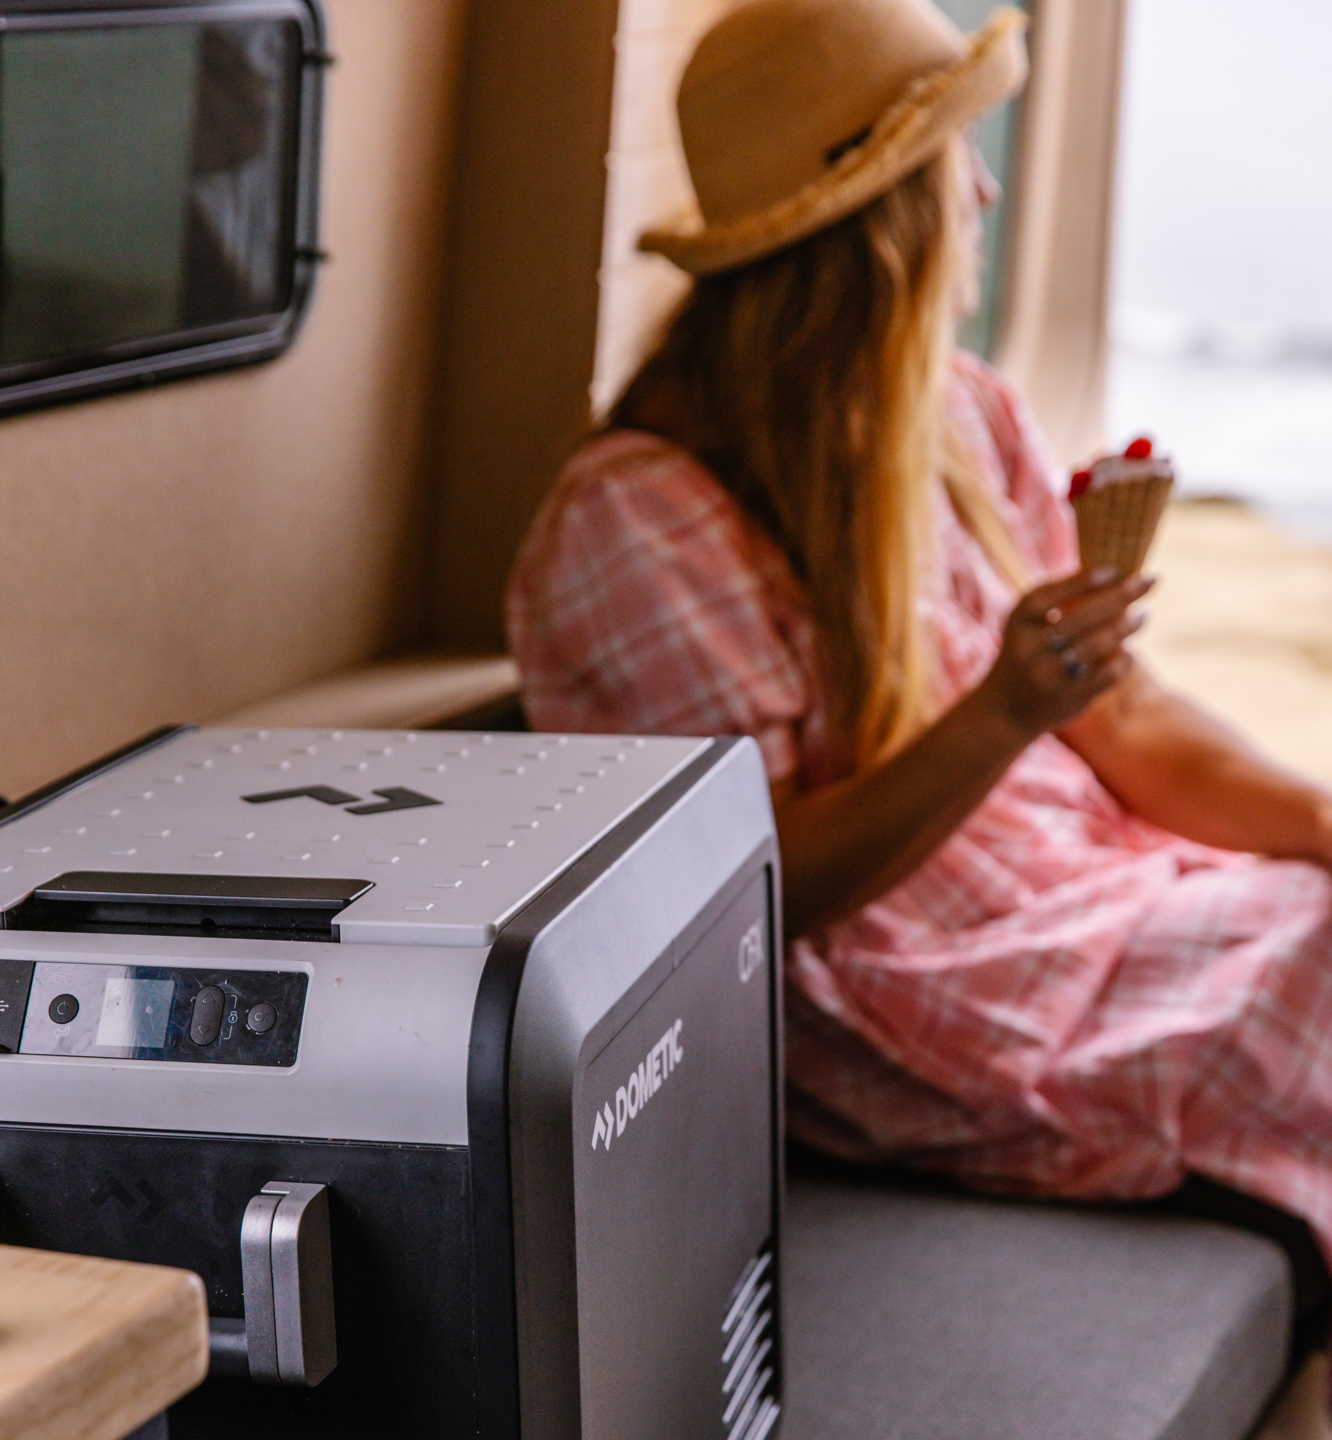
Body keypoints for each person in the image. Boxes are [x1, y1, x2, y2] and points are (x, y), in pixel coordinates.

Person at [506, 0, 1332, 1272]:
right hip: (913, 994)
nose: (990, 193)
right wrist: (1003, 712)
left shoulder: (965, 414)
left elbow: (1132, 718)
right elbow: (758, 888)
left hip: (1077, 898)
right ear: (877, 226)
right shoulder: (640, 522)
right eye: (957, 159)